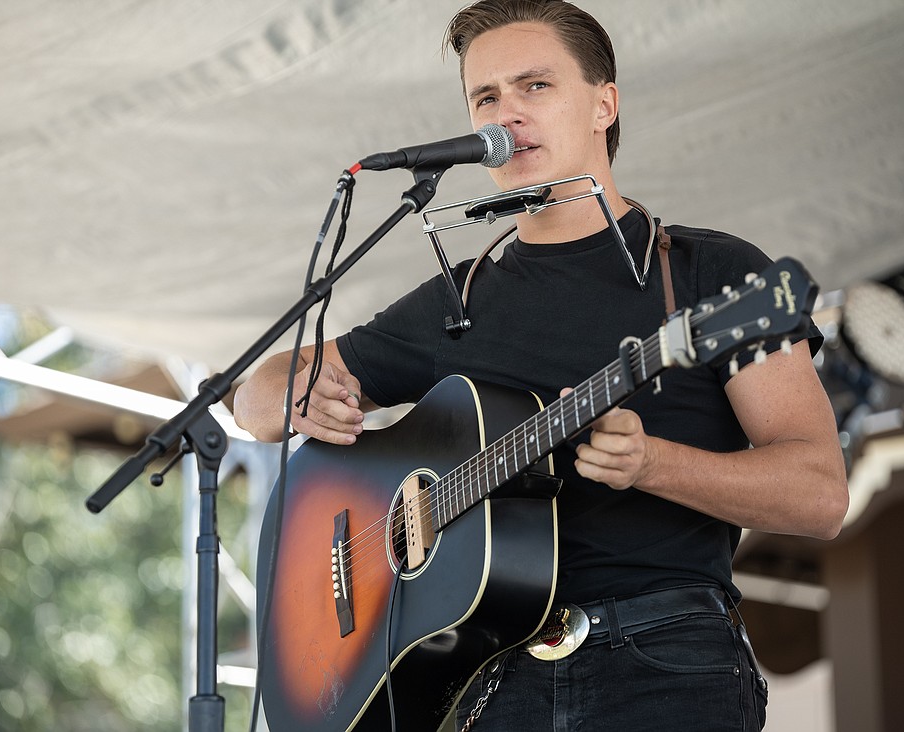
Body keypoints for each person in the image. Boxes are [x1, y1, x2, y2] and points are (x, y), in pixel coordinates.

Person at [234, 1, 849, 729]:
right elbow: (253, 397)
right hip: (485, 681)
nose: (507, 114)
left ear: (603, 105)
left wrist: (654, 464)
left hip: (665, 663)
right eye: (486, 98)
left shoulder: (711, 275)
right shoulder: (457, 299)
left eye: (535, 87)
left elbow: (820, 495)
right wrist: (287, 393)